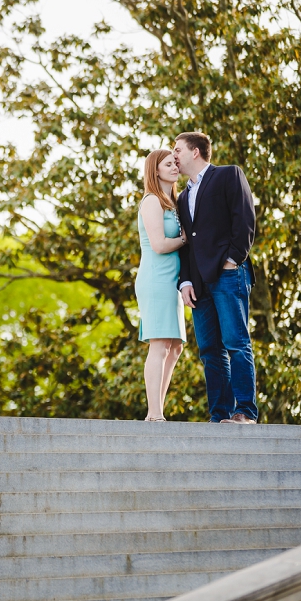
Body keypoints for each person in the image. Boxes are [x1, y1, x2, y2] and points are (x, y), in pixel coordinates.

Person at [173, 132, 258, 424]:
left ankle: (245, 411)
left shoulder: (228, 175)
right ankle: (218, 415)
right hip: (197, 284)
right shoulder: (182, 196)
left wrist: (233, 260)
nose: (174, 155)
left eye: (178, 149)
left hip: (228, 275)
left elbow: (245, 219)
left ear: (195, 152)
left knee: (236, 342)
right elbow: (186, 242)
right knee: (210, 351)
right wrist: (184, 282)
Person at [135, 149, 188, 421]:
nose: (174, 167)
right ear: (155, 170)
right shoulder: (152, 201)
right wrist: (186, 239)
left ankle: (157, 409)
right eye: (168, 164)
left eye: (175, 163)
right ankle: (154, 414)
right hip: (156, 279)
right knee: (159, 345)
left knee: (175, 347)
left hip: (172, 281)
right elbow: (159, 245)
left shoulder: (173, 201)